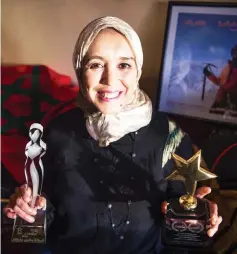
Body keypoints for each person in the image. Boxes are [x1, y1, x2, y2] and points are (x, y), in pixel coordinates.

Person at [4, 17, 222, 254]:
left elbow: (181, 227)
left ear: (137, 67)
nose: (109, 80)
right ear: (80, 68)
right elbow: (39, 224)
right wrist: (30, 212)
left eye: (124, 65)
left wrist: (197, 223)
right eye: (96, 64)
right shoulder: (56, 132)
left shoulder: (170, 136)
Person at [203, 44, 237, 114]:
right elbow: (219, 82)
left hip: (234, 101)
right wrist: (209, 74)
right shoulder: (228, 67)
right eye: (234, 52)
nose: (235, 55)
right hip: (221, 99)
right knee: (213, 119)